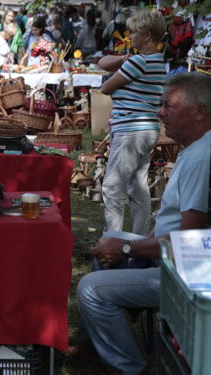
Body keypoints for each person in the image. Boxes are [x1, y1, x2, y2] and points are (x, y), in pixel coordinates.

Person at [76, 72, 211, 375]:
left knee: (90, 288)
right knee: (107, 240)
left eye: (168, 106)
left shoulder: (202, 158)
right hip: (175, 261)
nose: (160, 112)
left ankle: (133, 368)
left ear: (199, 112)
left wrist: (127, 248)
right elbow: (174, 221)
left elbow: (190, 241)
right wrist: (128, 244)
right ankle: (97, 339)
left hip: (185, 277)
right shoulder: (196, 149)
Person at [98, 9, 167, 236]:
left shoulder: (138, 61)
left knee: (112, 187)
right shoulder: (157, 60)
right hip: (147, 129)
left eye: (134, 32)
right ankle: (139, 239)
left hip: (130, 130)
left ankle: (113, 240)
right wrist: (122, 58)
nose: (130, 36)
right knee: (138, 188)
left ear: (146, 35)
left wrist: (125, 62)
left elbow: (105, 87)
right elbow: (102, 62)